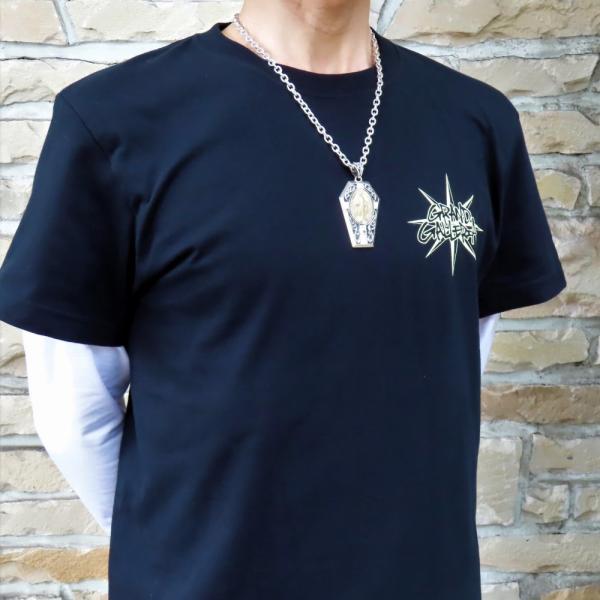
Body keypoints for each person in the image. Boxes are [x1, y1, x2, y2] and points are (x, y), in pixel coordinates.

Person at [0, 0, 566, 597]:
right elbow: (75, 413)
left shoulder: (475, 121)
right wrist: (180, 547)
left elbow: (456, 354)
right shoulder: (115, 119)